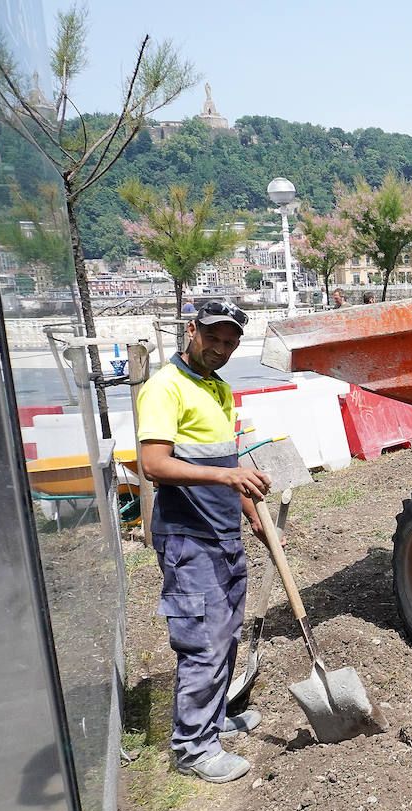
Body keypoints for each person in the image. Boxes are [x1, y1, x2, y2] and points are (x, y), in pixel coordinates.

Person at [137, 301, 272, 784]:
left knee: (226, 634)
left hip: (223, 532)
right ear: (191, 329)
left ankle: (212, 723)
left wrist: (251, 512)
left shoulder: (218, 389)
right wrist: (227, 474)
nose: (221, 347)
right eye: (213, 336)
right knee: (203, 641)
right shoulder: (164, 388)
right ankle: (193, 747)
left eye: (231, 340)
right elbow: (152, 465)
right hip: (187, 538)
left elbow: (224, 461)